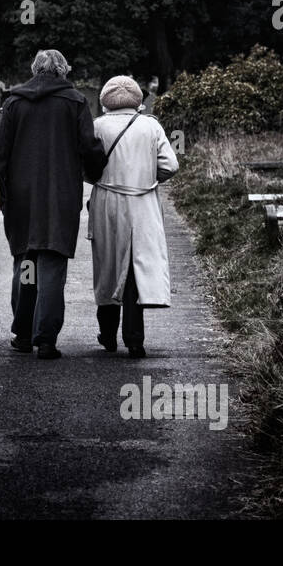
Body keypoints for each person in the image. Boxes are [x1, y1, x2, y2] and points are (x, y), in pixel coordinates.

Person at [0, 49, 104, 360]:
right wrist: (99, 170)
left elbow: (0, 153)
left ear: (35, 70)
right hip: (60, 197)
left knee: (26, 262)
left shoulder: (14, 103)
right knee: (51, 264)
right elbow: (89, 147)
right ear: (63, 71)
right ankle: (46, 339)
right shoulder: (74, 102)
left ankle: (23, 335)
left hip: (21, 198)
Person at [86, 75, 179, 358]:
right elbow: (171, 165)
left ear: (105, 100)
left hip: (107, 203)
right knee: (135, 270)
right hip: (142, 204)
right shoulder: (150, 126)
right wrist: (147, 178)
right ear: (138, 100)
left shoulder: (97, 126)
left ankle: (108, 335)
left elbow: (86, 166)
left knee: (108, 267)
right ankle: (135, 340)